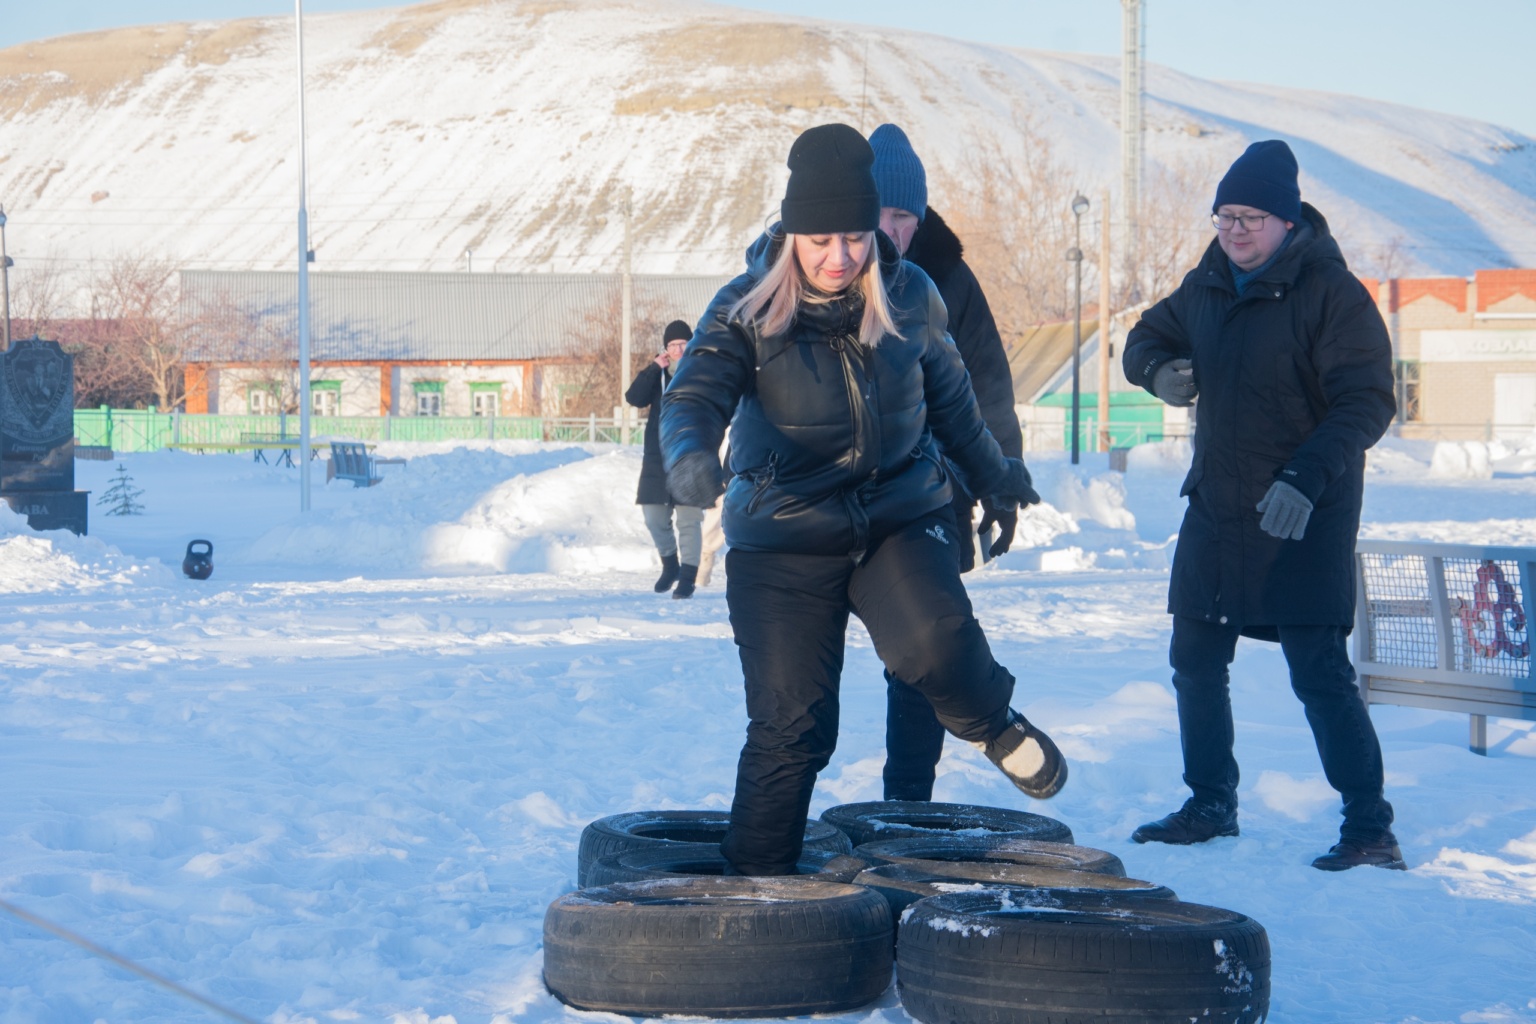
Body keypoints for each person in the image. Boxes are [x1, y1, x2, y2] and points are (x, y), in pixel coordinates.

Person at [660, 123, 1064, 876]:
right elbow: (696, 391)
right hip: (782, 537)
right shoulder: (746, 306)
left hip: (895, 521)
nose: (840, 257)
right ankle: (758, 885)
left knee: (935, 646)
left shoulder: (912, 297)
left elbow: (954, 404)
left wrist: (996, 471)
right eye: (820, 240)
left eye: (854, 238)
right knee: (792, 726)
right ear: (790, 236)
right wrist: (688, 456)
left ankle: (994, 724)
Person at [1121, 139, 1403, 871]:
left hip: (1301, 515)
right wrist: (1158, 372)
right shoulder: (1208, 283)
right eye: (1224, 218)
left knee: (1317, 670)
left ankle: (1370, 826)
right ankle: (1211, 802)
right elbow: (1144, 336)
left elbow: (1368, 400)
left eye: (1249, 217)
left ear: (1285, 222)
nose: (1235, 231)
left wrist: (1306, 477)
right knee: (1194, 658)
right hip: (1218, 509)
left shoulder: (1331, 295)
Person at [866, 122, 1026, 803]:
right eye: (878, 212)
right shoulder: (821, 266)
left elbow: (989, 382)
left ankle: (907, 800)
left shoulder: (950, 279)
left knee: (922, 653)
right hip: (834, 493)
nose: (890, 228)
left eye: (904, 215)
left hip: (931, 490)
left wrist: (1002, 478)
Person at [625, 319, 705, 599]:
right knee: (653, 516)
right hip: (657, 458)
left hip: (691, 456)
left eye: (684, 343)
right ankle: (670, 565)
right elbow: (634, 398)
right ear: (665, 349)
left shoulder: (703, 371)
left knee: (689, 520)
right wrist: (652, 368)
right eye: (673, 345)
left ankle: (687, 578)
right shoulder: (657, 377)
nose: (678, 349)